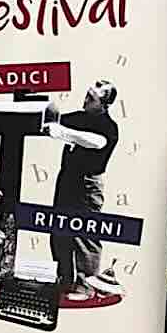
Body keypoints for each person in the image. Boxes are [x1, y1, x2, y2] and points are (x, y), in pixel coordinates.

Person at [43, 79, 121, 301]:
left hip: (87, 185)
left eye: (92, 98)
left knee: (84, 234)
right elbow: (54, 121)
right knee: (59, 230)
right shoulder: (79, 117)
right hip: (67, 180)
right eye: (87, 94)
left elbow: (96, 142)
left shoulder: (109, 126)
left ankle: (86, 286)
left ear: (104, 104)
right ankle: (64, 281)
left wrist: (63, 133)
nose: (86, 99)